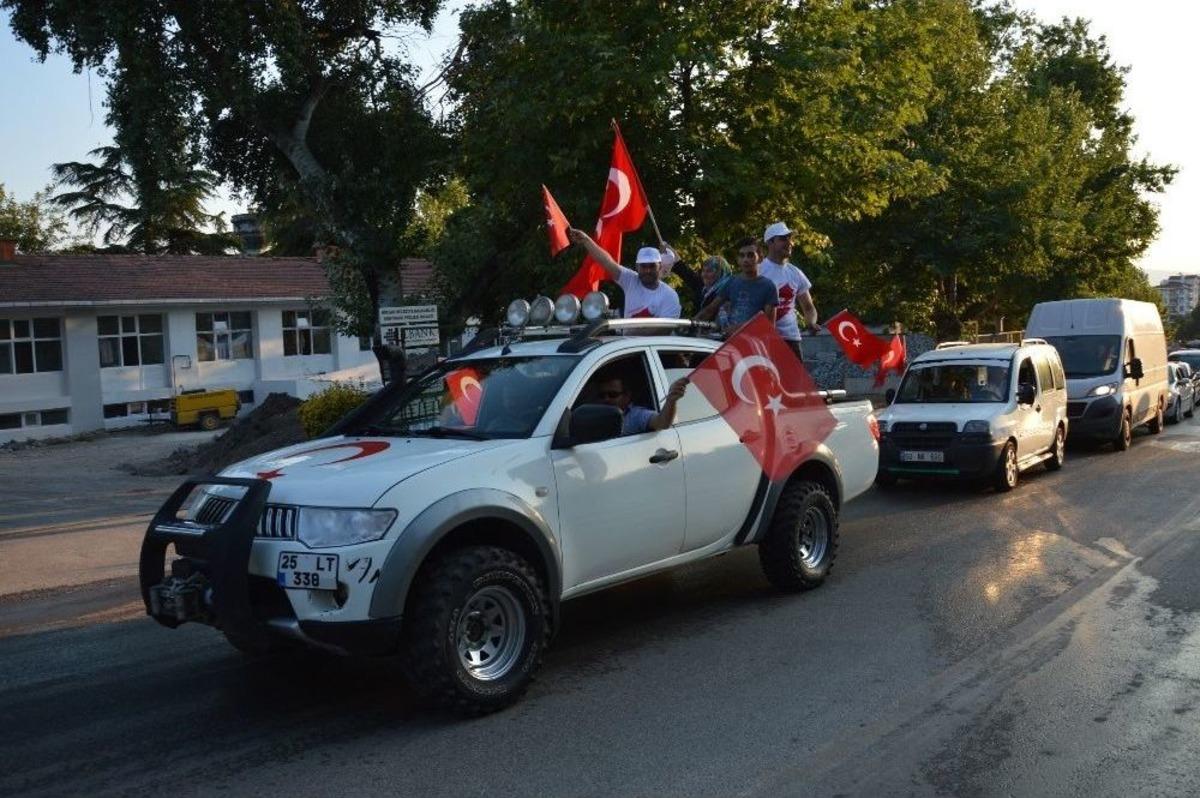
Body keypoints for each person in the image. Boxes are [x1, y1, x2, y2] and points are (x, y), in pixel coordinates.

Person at [567, 228, 682, 319]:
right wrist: (586, 240)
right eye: (643, 266)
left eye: (652, 266)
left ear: (660, 266)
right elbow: (607, 262)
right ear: (637, 267)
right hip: (628, 347)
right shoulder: (631, 280)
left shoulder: (669, 295)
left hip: (649, 348)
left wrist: (631, 334)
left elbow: (662, 330)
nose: (647, 270)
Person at [759, 222, 818, 360]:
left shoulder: (796, 273)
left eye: (790, 239)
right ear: (770, 242)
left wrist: (811, 322)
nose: (789, 243)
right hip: (763, 338)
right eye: (783, 239)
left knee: (796, 382)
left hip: (791, 339)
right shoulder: (758, 271)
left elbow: (809, 308)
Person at [694, 237, 778, 331]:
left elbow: (769, 325)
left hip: (752, 343)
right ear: (738, 259)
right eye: (742, 255)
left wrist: (737, 329)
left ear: (760, 258)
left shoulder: (768, 286)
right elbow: (710, 309)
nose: (745, 260)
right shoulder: (732, 282)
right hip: (729, 342)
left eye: (750, 255)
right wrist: (690, 325)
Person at [593, 373, 689, 435]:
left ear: (627, 396)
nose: (606, 399)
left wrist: (671, 401)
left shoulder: (636, 415)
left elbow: (662, 422)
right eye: (602, 395)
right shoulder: (590, 415)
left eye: (613, 394)